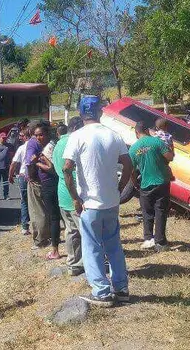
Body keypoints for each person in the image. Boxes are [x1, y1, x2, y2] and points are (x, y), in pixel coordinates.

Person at [63, 96, 133, 307]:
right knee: (113, 245)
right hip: (111, 202)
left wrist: (75, 197)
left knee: (92, 247)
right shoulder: (114, 135)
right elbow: (128, 165)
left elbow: (67, 168)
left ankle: (102, 292)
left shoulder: (76, 136)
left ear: (81, 113)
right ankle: (121, 289)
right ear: (100, 112)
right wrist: (119, 189)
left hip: (89, 203)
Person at [130, 121, 174, 252]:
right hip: (162, 182)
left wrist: (135, 183)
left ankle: (148, 239)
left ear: (136, 133)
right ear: (148, 131)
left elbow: (131, 170)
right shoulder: (157, 142)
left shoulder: (133, 149)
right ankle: (160, 242)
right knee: (160, 211)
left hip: (145, 184)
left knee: (147, 212)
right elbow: (170, 157)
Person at [52, 117, 85, 276]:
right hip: (74, 194)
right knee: (85, 232)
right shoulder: (74, 142)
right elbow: (70, 171)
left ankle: (74, 264)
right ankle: (92, 264)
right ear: (78, 127)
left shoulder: (58, 144)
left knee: (71, 231)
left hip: (62, 194)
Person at [25, 123, 59, 253]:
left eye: (41, 135)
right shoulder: (51, 144)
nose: (38, 137)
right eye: (36, 135)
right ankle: (49, 237)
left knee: (38, 212)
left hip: (45, 182)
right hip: (48, 182)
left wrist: (36, 163)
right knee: (50, 213)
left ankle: (41, 240)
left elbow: (50, 168)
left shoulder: (46, 147)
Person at [9, 128, 31, 235]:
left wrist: (10, 175)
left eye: (21, 135)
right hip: (33, 177)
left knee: (24, 201)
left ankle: (25, 227)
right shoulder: (37, 146)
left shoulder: (21, 148)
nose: (19, 137)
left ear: (26, 136)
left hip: (23, 176)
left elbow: (13, 163)